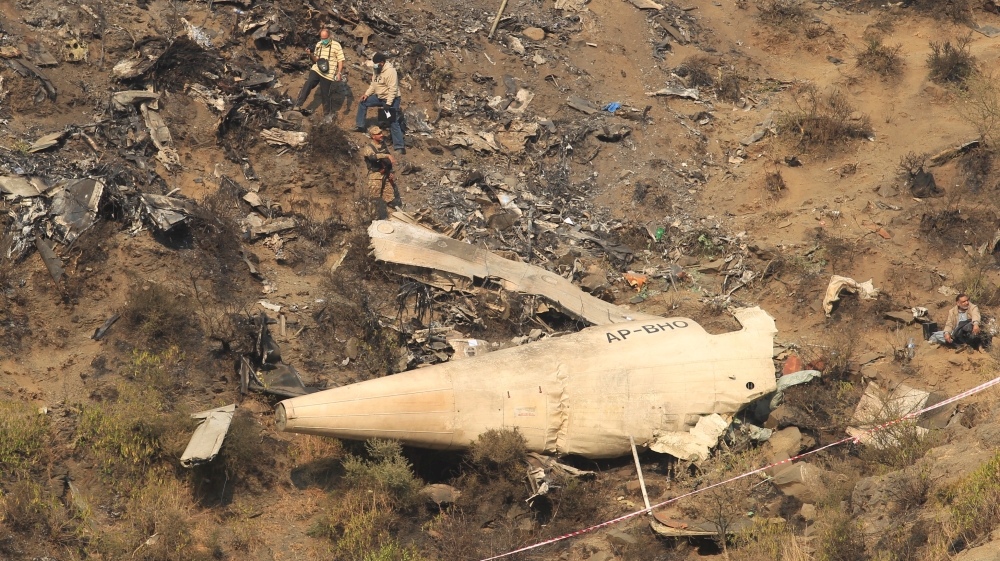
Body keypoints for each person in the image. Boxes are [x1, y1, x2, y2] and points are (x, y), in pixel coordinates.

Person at [355, 53, 405, 154]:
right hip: (380, 97)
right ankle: (360, 126)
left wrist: (388, 104)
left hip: (391, 99)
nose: (375, 65)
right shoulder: (376, 69)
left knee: (392, 120)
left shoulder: (390, 71)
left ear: (382, 63)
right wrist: (367, 94)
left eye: (377, 64)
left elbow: (393, 89)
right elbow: (373, 84)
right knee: (363, 103)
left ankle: (399, 147)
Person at [292, 29, 345, 116]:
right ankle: (298, 104)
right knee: (309, 83)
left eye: (325, 38)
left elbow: (340, 60)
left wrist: (339, 73)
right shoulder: (319, 44)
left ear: (329, 37)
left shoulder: (336, 45)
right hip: (317, 69)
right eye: (322, 38)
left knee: (325, 94)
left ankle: (327, 115)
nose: (323, 40)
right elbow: (316, 60)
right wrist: (310, 54)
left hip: (328, 73)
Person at [361, 126, 401, 219]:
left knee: (390, 200)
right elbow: (372, 157)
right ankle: (372, 221)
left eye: (381, 133)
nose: (381, 135)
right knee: (374, 200)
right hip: (375, 177)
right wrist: (386, 155)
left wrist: (390, 171)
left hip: (386, 176)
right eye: (378, 134)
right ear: (373, 136)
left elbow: (388, 161)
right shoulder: (368, 147)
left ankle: (393, 220)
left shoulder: (383, 146)